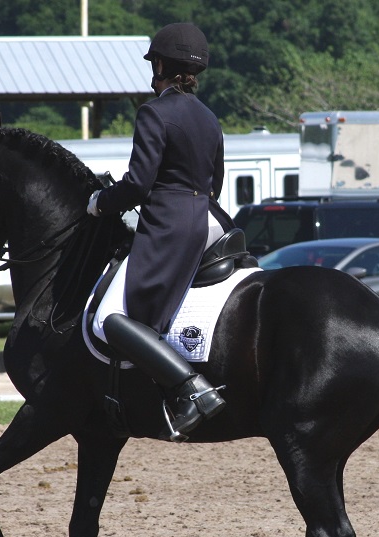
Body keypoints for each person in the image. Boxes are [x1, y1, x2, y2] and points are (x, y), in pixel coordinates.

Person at [87, 22, 233, 442]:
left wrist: (100, 202)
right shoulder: (209, 117)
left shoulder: (154, 112)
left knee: (108, 319)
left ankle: (191, 390)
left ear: (162, 66)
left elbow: (138, 184)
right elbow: (215, 183)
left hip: (170, 225)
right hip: (209, 219)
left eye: (155, 64)